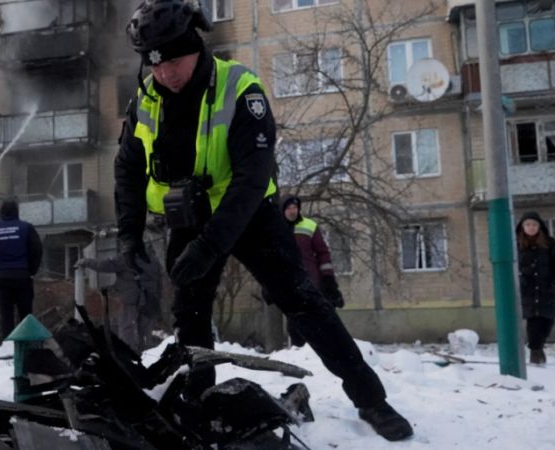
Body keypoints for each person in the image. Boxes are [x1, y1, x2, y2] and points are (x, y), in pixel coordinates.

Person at [115, 0, 412, 441]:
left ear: (196, 46)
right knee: (190, 316)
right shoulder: (147, 98)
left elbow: (252, 179)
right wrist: (128, 235)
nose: (166, 74)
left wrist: (209, 247)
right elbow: (128, 168)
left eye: (174, 61)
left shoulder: (240, 88)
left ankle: (371, 399)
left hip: (250, 214)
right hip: (189, 218)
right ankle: (200, 399)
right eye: (154, 66)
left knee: (304, 303)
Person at [76, 241, 162, 352]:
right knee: (145, 331)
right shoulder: (154, 260)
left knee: (127, 329)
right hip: (150, 301)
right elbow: (159, 282)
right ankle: (147, 355)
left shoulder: (125, 259)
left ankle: (129, 355)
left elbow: (103, 265)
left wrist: (85, 261)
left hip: (131, 300)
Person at [282, 195, 345, 346]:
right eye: (289, 208)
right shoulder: (277, 228)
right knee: (295, 324)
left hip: (311, 281)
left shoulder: (309, 226)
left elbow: (323, 253)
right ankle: (299, 354)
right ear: (282, 210)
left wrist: (328, 280)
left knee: (318, 318)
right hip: (289, 284)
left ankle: (320, 351)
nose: (292, 211)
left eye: (295, 208)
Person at [0, 199, 43, 339]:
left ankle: (8, 345)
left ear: (1, 212)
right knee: (25, 313)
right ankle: (26, 344)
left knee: (6, 313)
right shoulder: (26, 228)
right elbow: (37, 250)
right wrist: (32, 270)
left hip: (2, 278)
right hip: (22, 276)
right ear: (17, 211)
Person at [516, 211, 555, 365]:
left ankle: (537, 348)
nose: (531, 227)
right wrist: (521, 278)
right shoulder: (516, 243)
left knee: (547, 320)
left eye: (534, 224)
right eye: (528, 224)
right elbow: (511, 265)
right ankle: (535, 353)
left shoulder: (549, 243)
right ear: (522, 227)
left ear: (539, 226)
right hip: (528, 290)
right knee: (533, 321)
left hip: (547, 289)